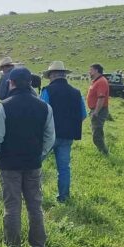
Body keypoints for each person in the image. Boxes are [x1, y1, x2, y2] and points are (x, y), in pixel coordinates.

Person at [0, 68, 55, 247]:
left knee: (12, 206)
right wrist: (40, 155)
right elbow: (50, 138)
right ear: (30, 83)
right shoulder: (44, 107)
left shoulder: (3, 107)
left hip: (9, 165)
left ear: (11, 83)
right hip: (33, 163)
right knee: (35, 206)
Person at [40, 61, 86, 202]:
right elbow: (83, 114)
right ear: (64, 75)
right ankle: (64, 197)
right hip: (68, 136)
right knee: (64, 168)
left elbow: (41, 113)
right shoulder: (76, 93)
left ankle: (35, 194)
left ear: (51, 75)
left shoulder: (47, 91)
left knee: (35, 164)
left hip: (49, 135)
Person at [86, 63, 110, 155]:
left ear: (96, 70)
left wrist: (96, 112)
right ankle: (102, 150)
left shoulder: (101, 82)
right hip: (96, 109)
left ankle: (104, 152)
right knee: (96, 131)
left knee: (97, 133)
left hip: (99, 110)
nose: (89, 72)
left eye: (91, 70)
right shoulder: (96, 81)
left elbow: (101, 98)